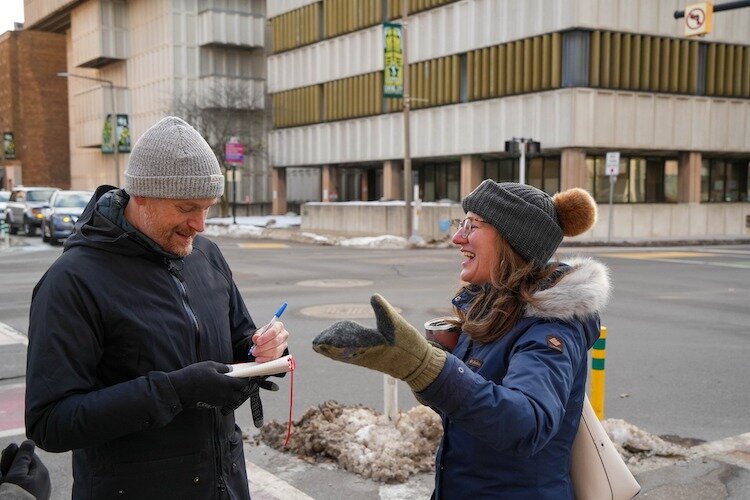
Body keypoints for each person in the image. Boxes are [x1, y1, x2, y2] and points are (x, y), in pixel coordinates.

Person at [25, 116, 289, 499]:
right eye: (186, 207)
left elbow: (238, 342)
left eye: (208, 208)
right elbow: (50, 422)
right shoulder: (73, 281)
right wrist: (173, 392)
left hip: (224, 487)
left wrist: (261, 348)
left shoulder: (207, 257)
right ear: (142, 195)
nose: (199, 224)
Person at [313, 179, 610, 499]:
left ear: (514, 240)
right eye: (461, 222)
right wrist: (430, 370)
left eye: (472, 224)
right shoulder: (491, 306)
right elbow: (473, 414)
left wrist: (427, 367)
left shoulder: (551, 327)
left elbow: (527, 425)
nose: (457, 237)